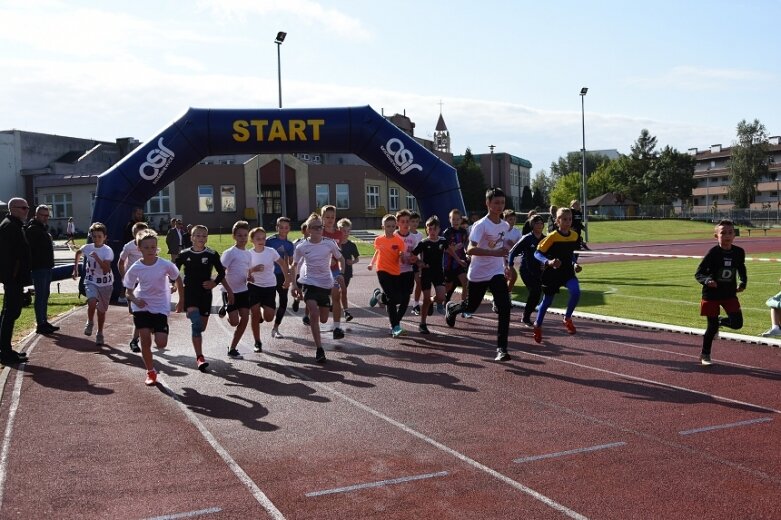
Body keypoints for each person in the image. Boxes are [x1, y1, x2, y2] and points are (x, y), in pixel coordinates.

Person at [445, 188, 513, 361]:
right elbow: (470, 249)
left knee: (504, 306)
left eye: (502, 203)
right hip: (478, 273)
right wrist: (495, 253)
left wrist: (505, 264)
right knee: (470, 307)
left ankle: (502, 349)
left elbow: (501, 248)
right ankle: (453, 308)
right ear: (488, 203)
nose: (499, 206)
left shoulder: (505, 225)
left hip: (496, 271)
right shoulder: (481, 225)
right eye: (496, 202)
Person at [122, 230, 184, 386]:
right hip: (141, 305)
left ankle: (154, 328)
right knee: (144, 340)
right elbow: (128, 291)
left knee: (161, 343)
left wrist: (181, 300)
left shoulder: (165, 264)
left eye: (153, 247)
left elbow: (177, 278)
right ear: (139, 249)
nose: (150, 250)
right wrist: (135, 299)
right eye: (146, 247)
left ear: (157, 247)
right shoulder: (136, 267)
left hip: (160, 305)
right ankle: (150, 372)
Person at [175, 225, 233, 371]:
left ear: (207, 238)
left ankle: (194, 318)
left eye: (203, 236)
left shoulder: (212, 254)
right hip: (190, 293)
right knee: (196, 325)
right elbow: (173, 271)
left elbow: (221, 273)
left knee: (201, 327)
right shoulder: (183, 254)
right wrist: (172, 285)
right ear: (191, 237)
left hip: (205, 294)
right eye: (198, 235)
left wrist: (214, 283)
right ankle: (200, 357)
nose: (201, 238)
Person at [291, 213, 345, 363]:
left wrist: (340, 273)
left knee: (323, 319)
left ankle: (328, 306)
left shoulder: (329, 243)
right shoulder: (302, 246)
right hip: (309, 282)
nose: (319, 230)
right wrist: (293, 284)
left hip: (325, 283)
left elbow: (340, 258)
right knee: (313, 314)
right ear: (308, 229)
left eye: (320, 227)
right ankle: (319, 349)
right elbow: (294, 265)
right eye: (315, 227)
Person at [694, 219, 746, 365]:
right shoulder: (713, 253)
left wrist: (743, 282)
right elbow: (699, 273)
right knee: (711, 328)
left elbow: (741, 268)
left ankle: (719, 322)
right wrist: (707, 280)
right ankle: (705, 355)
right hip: (711, 295)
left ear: (734, 235)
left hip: (729, 294)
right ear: (716, 236)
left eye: (730, 232)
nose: (727, 235)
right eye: (723, 233)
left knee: (737, 323)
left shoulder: (739, 252)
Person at [532, 208, 582, 344]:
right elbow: (537, 253)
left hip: (567, 272)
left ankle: (567, 318)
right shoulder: (552, 236)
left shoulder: (574, 236)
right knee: (547, 301)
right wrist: (549, 262)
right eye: (564, 219)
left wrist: (574, 264)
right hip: (552, 273)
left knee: (576, 292)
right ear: (557, 221)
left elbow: (571, 253)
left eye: (570, 219)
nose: (567, 222)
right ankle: (538, 324)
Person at [247, 227, 290, 353]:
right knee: (255, 315)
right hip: (254, 286)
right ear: (252, 240)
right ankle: (257, 342)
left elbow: (282, 263)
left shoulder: (271, 251)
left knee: (269, 317)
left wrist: (287, 279)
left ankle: (262, 307)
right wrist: (253, 270)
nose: (261, 240)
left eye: (263, 238)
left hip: (269, 286)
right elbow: (244, 271)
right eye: (258, 238)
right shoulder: (249, 254)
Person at [0, 198, 31, 365]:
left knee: (10, 313)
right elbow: (7, 256)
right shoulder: (9, 226)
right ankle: (4, 352)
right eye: (23, 208)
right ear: (13, 209)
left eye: (27, 208)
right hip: (13, 278)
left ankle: (5, 349)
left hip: (15, 277)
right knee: (10, 313)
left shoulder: (14, 225)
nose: (27, 210)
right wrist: (13, 276)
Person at [73, 222, 114, 346]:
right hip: (91, 280)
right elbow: (78, 253)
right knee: (91, 301)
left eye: (99, 236)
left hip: (105, 284)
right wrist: (75, 269)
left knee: (101, 311)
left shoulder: (107, 251)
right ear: (91, 236)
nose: (96, 239)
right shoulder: (87, 247)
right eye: (94, 236)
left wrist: (96, 258)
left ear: (105, 237)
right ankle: (90, 322)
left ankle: (100, 332)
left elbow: (106, 269)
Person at [368, 214, 408, 337]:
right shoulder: (378, 240)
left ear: (395, 226)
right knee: (392, 299)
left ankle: (379, 296)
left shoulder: (399, 241)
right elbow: (377, 252)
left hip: (395, 271)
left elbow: (402, 257)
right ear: (383, 227)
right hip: (382, 270)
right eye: (387, 226)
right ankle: (395, 327)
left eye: (392, 226)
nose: (390, 229)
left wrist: (402, 257)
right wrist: (371, 263)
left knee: (397, 299)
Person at [220, 221, 253, 357]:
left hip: (243, 291)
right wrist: (229, 291)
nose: (243, 238)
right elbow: (221, 273)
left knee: (245, 319)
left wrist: (249, 278)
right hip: (229, 291)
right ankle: (225, 308)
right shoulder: (230, 253)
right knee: (234, 322)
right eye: (239, 235)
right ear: (234, 236)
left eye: (245, 235)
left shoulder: (248, 254)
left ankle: (232, 348)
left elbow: (246, 271)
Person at [26, 204, 59, 334]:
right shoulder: (32, 229)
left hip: (46, 267)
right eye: (43, 215)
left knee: (45, 295)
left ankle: (44, 321)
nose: (45, 218)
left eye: (47, 216)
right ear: (36, 215)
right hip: (39, 268)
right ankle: (41, 324)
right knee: (40, 297)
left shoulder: (41, 228)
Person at [412, 216, 448, 334]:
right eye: (430, 229)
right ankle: (422, 323)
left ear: (439, 230)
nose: (432, 231)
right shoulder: (423, 243)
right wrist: (419, 262)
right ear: (427, 230)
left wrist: (459, 260)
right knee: (426, 299)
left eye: (434, 229)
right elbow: (413, 256)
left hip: (438, 272)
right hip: (426, 273)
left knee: (441, 298)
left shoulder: (443, 241)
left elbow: (450, 251)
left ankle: (432, 301)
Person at [118, 221, 150, 352]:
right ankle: (139, 335)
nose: (141, 236)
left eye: (144, 233)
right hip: (132, 283)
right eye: (139, 233)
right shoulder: (129, 246)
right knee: (133, 312)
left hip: (145, 283)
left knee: (140, 313)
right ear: (134, 234)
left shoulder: (149, 246)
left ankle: (134, 340)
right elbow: (120, 263)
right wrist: (125, 278)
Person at [508, 214, 545, 327]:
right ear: (532, 225)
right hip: (526, 271)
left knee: (537, 294)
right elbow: (512, 252)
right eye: (536, 223)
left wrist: (547, 264)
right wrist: (510, 265)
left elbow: (550, 254)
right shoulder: (527, 238)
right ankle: (526, 317)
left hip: (539, 272)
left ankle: (526, 315)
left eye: (541, 223)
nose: (539, 225)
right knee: (535, 291)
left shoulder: (545, 239)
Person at [265, 217, 295, 339]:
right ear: (277, 227)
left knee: (283, 302)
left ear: (289, 229)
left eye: (286, 227)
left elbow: (291, 262)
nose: (283, 229)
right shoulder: (269, 241)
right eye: (281, 227)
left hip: (282, 276)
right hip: (269, 276)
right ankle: (264, 314)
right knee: (269, 303)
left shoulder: (289, 245)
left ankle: (276, 328)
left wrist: (289, 276)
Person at [321, 205, 346, 339]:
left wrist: (337, 258)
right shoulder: (320, 232)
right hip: (320, 272)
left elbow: (339, 250)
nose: (330, 220)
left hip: (334, 270)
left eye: (333, 217)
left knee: (336, 296)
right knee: (321, 301)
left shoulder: (339, 234)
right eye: (327, 217)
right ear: (322, 218)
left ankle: (337, 327)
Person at [394, 209, 421, 325]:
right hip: (394, 271)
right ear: (398, 223)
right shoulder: (394, 236)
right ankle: (380, 297)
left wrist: (415, 260)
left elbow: (416, 255)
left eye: (407, 221)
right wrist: (398, 256)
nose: (405, 224)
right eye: (403, 222)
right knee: (396, 298)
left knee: (405, 298)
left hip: (408, 271)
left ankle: (396, 321)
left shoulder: (414, 238)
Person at [443, 208, 469, 314]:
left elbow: (466, 244)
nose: (456, 221)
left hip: (460, 263)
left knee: (465, 283)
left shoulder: (463, 232)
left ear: (461, 220)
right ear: (450, 220)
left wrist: (467, 253)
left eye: (458, 219)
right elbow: (449, 250)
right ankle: (438, 299)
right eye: (453, 219)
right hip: (449, 264)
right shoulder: (447, 232)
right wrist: (457, 257)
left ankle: (463, 307)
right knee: (448, 287)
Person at [337, 218, 360, 322]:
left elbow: (357, 258)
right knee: (338, 291)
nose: (345, 233)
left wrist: (352, 262)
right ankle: (343, 309)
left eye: (348, 231)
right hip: (335, 271)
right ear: (339, 230)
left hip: (347, 272)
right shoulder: (335, 243)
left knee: (343, 291)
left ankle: (345, 311)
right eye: (343, 231)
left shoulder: (352, 245)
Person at [503, 209, 522, 294]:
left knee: (513, 276)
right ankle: (503, 295)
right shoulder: (500, 231)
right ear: (505, 219)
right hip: (500, 257)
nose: (513, 221)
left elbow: (520, 246)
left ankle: (507, 294)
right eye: (510, 219)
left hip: (512, 257)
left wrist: (512, 244)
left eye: (514, 219)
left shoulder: (517, 232)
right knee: (505, 276)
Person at [409, 211, 424, 315]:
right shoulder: (405, 233)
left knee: (419, 282)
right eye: (412, 221)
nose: (414, 223)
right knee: (407, 286)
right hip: (405, 262)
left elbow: (422, 249)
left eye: (416, 221)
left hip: (415, 262)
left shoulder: (420, 235)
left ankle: (415, 304)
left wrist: (421, 261)